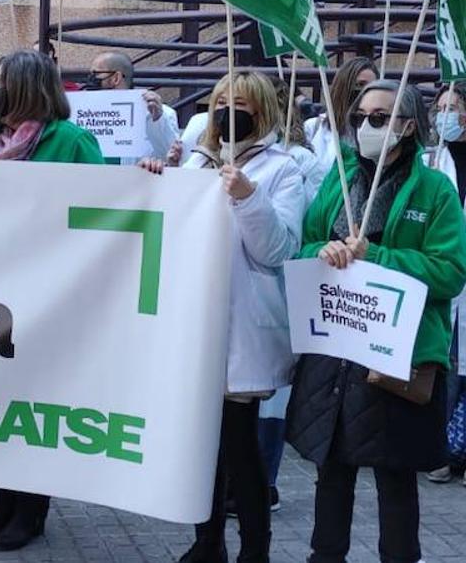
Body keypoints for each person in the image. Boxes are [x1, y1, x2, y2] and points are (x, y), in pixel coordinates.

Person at [286, 80, 466, 563]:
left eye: (383, 117)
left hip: (398, 357)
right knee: (332, 472)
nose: (369, 126)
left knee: (396, 479)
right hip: (337, 348)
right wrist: (321, 250)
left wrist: (379, 256)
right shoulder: (339, 177)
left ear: (409, 126)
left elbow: (450, 272)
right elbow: (303, 246)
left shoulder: (435, 188)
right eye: (362, 116)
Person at [141, 73, 304, 563]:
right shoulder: (196, 161)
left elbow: (278, 249)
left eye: (242, 104)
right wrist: (154, 182)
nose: (229, 112)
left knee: (239, 446)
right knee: (199, 448)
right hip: (194, 322)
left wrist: (249, 196)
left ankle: (255, 550)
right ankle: (206, 542)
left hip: (241, 328)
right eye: (221, 102)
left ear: (263, 111)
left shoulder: (283, 169)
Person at [0, 50, 104, 551]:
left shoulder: (69, 141)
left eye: (1, 80)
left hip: (50, 291)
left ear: (27, 87)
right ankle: (2, 502)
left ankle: (31, 511)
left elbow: (105, 208)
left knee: (33, 405)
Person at [425, 84, 466, 485]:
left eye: (453, 107)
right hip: (446, 280)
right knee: (445, 368)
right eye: (440, 108)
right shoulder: (431, 160)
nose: (445, 116)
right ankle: (438, 449)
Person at [87, 51, 179, 162]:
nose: (91, 79)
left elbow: (172, 157)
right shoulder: (86, 113)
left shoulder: (160, 114)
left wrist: (157, 119)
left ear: (115, 78)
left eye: (96, 73)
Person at [303, 57, 378, 181]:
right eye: (360, 85)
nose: (366, 92)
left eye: (372, 86)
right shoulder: (312, 128)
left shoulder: (382, 133)